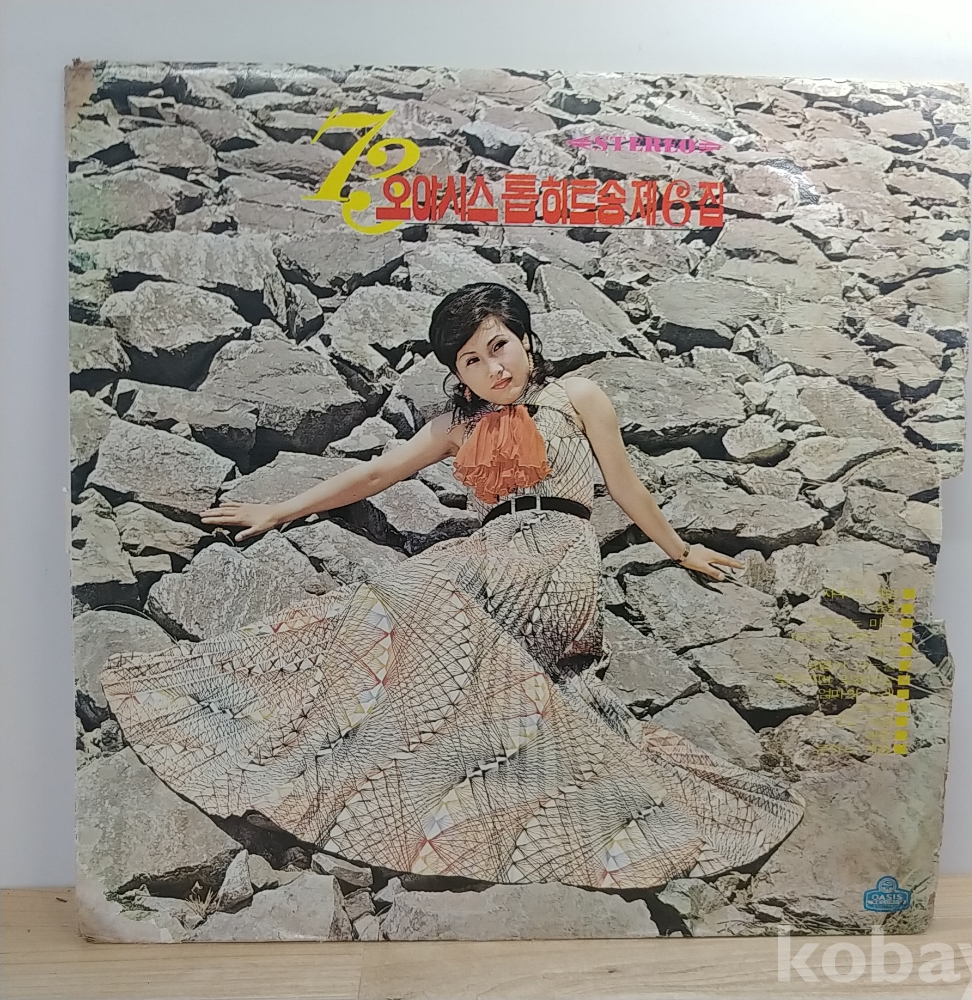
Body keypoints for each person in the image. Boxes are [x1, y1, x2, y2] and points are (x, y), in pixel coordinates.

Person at [102, 282, 804, 891]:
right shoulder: (456, 424)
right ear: (458, 373)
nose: (492, 367)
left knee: (423, 589)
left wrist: (681, 550)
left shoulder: (577, 396)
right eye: (472, 359)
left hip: (557, 557)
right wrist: (279, 508)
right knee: (388, 598)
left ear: (525, 341)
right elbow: (376, 474)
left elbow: (623, 484)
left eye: (499, 346)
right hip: (490, 548)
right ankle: (331, 752)